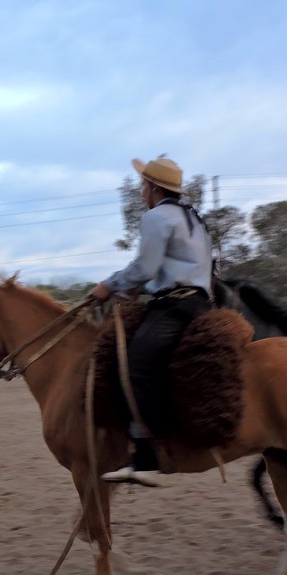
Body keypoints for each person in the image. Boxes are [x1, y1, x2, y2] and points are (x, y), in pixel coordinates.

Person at [89, 155, 214, 486]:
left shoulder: (156, 218)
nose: (141, 190)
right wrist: (136, 288)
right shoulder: (192, 217)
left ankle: (145, 457)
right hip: (197, 302)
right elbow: (169, 270)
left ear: (153, 188)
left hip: (175, 306)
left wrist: (109, 285)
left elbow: (145, 268)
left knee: (135, 366)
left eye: (143, 184)